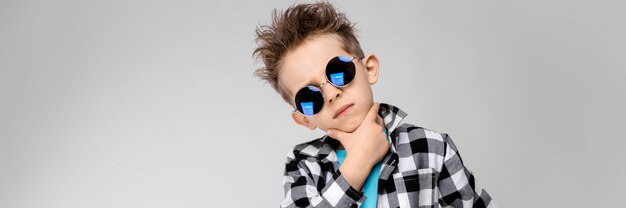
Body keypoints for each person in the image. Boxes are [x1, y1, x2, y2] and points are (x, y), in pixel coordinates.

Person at [253, 2, 496, 207]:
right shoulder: (303, 163)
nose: (331, 94)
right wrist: (359, 161)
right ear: (303, 118)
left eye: (338, 71)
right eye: (310, 96)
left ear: (369, 68)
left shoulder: (431, 147)